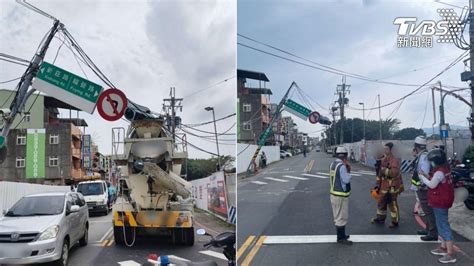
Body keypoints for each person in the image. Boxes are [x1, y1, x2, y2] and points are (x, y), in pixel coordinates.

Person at [419, 148, 456, 264]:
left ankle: (450, 254)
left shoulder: (440, 172)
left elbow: (432, 185)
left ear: (435, 161)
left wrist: (422, 177)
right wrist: (426, 175)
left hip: (440, 202)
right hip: (441, 201)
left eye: (431, 161)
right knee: (441, 225)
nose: (430, 163)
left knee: (444, 226)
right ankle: (443, 247)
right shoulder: (444, 169)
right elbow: (435, 180)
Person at [411, 136, 438, 241]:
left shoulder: (424, 157)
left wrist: (422, 185)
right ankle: (428, 229)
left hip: (424, 188)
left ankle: (432, 233)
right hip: (423, 186)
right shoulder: (422, 155)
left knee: (428, 210)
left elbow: (424, 172)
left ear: (416, 146)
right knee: (426, 209)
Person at [371, 142, 403, 228]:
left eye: (387, 149)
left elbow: (394, 173)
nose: (385, 150)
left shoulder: (394, 160)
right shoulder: (383, 159)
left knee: (392, 204)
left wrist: (383, 169)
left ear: (391, 150)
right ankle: (380, 218)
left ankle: (395, 221)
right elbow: (379, 174)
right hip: (383, 186)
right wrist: (377, 184)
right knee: (381, 202)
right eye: (384, 149)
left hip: (392, 186)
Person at [329, 146, 352, 245]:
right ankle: (341, 238)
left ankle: (342, 235)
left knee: (338, 215)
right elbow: (346, 179)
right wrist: (349, 173)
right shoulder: (341, 166)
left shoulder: (333, 164)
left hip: (334, 194)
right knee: (341, 217)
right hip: (340, 195)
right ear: (345, 156)